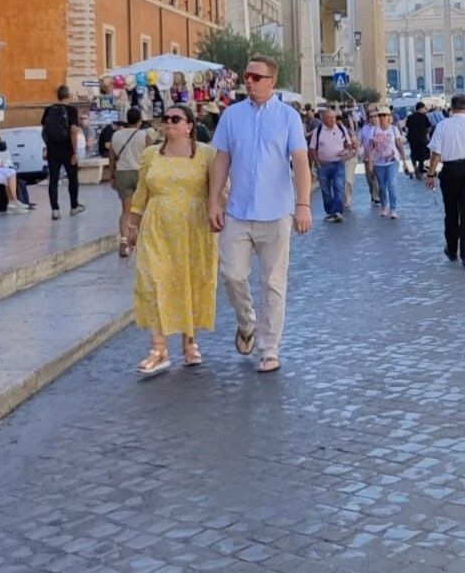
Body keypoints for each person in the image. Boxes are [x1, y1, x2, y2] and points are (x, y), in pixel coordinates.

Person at [207, 55, 312, 375]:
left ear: (271, 82)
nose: (248, 81)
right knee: (232, 275)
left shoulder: (288, 117)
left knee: (273, 283)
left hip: (276, 212)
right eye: (246, 75)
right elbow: (221, 159)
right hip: (238, 210)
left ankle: (269, 348)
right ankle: (246, 322)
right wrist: (213, 201)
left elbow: (300, 162)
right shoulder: (231, 115)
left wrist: (303, 204)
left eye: (255, 76)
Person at [125, 105, 219, 374]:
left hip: (193, 229)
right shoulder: (151, 154)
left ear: (189, 125)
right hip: (157, 227)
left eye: (175, 119)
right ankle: (158, 348)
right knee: (154, 282)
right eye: (164, 119)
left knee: (188, 282)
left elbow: (219, 188)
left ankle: (190, 342)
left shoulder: (206, 155)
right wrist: (132, 225)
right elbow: (142, 191)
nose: (168, 123)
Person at [425, 94, 465, 269]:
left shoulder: (442, 126)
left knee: (451, 212)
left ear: (451, 108)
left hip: (450, 170)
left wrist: (430, 175)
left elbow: (435, 154)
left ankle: (452, 249)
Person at [108, 107, 152, 258]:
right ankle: (141, 240)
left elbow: (112, 158)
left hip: (123, 173)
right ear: (139, 120)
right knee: (142, 209)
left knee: (126, 210)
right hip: (140, 173)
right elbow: (151, 157)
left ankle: (124, 240)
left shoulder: (116, 135)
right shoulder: (144, 135)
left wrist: (112, 176)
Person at [41, 85, 85, 220]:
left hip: (52, 150)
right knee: (73, 178)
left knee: (53, 180)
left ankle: (55, 209)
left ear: (58, 96)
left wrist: (47, 146)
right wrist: (75, 152)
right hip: (67, 149)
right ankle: (74, 206)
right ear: (69, 96)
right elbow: (73, 131)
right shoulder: (72, 110)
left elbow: (44, 131)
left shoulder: (48, 110)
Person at [309, 108, 351, 223]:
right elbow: (312, 149)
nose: (332, 120)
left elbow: (348, 144)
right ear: (323, 119)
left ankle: (337, 211)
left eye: (334, 117)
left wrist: (346, 151)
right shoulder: (318, 132)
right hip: (323, 165)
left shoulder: (341, 129)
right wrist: (317, 163)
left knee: (339, 187)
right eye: (329, 118)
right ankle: (330, 211)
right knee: (325, 190)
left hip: (338, 163)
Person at [364, 109, 407, 219]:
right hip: (378, 163)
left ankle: (393, 209)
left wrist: (404, 160)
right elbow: (370, 147)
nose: (382, 117)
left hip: (392, 161)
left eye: (384, 115)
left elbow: (399, 145)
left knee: (392, 184)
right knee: (382, 186)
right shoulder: (373, 130)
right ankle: (384, 206)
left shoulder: (393, 129)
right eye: (380, 115)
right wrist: (369, 161)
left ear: (389, 117)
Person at [404, 102, 433, 179]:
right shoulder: (424, 117)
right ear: (421, 108)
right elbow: (429, 128)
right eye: (424, 108)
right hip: (422, 139)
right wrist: (426, 134)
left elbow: (407, 129)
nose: (425, 110)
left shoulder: (410, 117)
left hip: (412, 139)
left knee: (413, 153)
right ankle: (420, 170)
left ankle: (414, 166)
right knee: (422, 155)